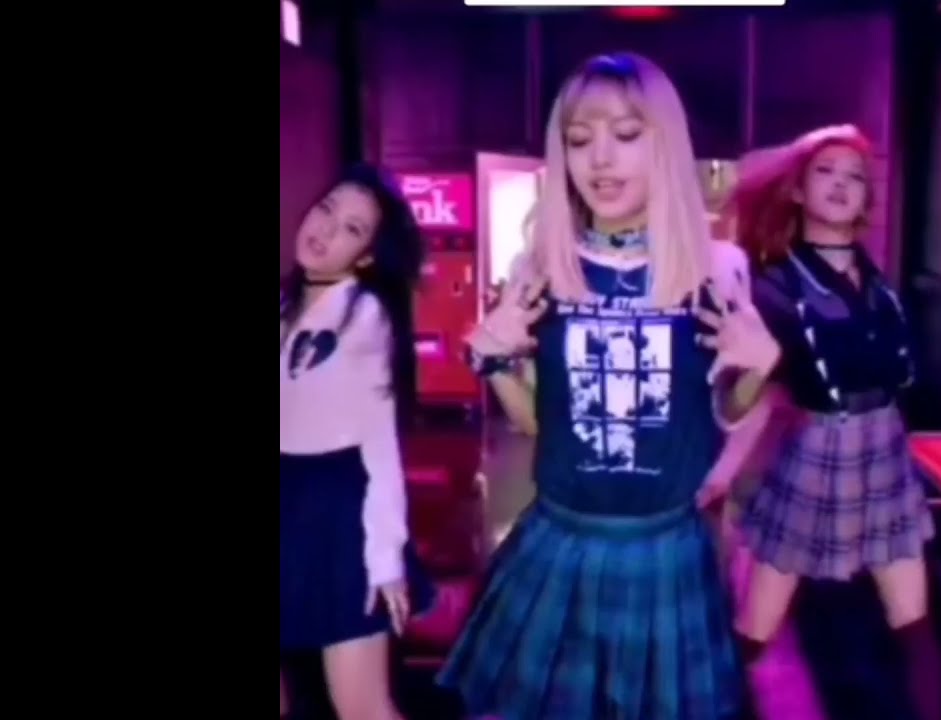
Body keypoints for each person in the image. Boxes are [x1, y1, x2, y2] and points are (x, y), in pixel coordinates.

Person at [436, 52, 779, 720]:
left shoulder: (715, 269)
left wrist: (759, 372)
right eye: (578, 139)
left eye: (625, 135)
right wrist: (497, 361)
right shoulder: (543, 267)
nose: (600, 159)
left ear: (666, 145)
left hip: (666, 547)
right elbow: (540, 423)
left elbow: (721, 412)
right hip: (560, 539)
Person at [726, 125, 941, 720]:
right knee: (754, 631)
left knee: (914, 623)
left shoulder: (878, 286)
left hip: (884, 443)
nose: (842, 185)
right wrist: (719, 474)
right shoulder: (772, 286)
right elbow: (760, 395)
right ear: (797, 190)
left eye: (855, 177)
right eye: (825, 172)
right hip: (817, 447)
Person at [279, 164, 434, 720]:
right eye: (326, 209)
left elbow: (379, 444)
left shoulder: (365, 316)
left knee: (362, 706)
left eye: (351, 228)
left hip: (337, 510)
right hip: (287, 496)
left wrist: (385, 556)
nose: (325, 229)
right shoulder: (288, 304)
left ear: (366, 256)